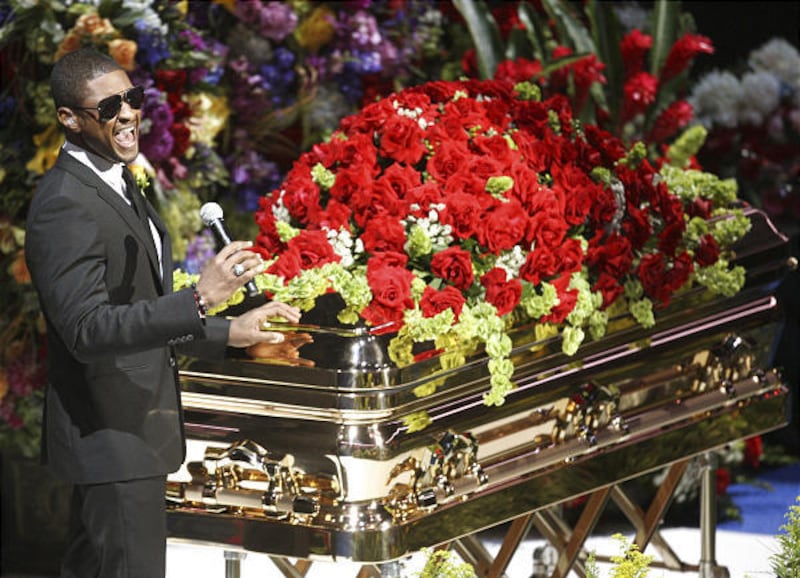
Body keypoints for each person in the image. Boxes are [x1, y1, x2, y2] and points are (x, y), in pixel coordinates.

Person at [24, 47, 301, 578]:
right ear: (69, 118)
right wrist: (199, 299)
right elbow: (86, 330)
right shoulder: (65, 202)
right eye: (108, 107)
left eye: (133, 98)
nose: (128, 113)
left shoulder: (115, 178)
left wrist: (231, 331)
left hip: (130, 437)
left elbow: (138, 312)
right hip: (111, 436)